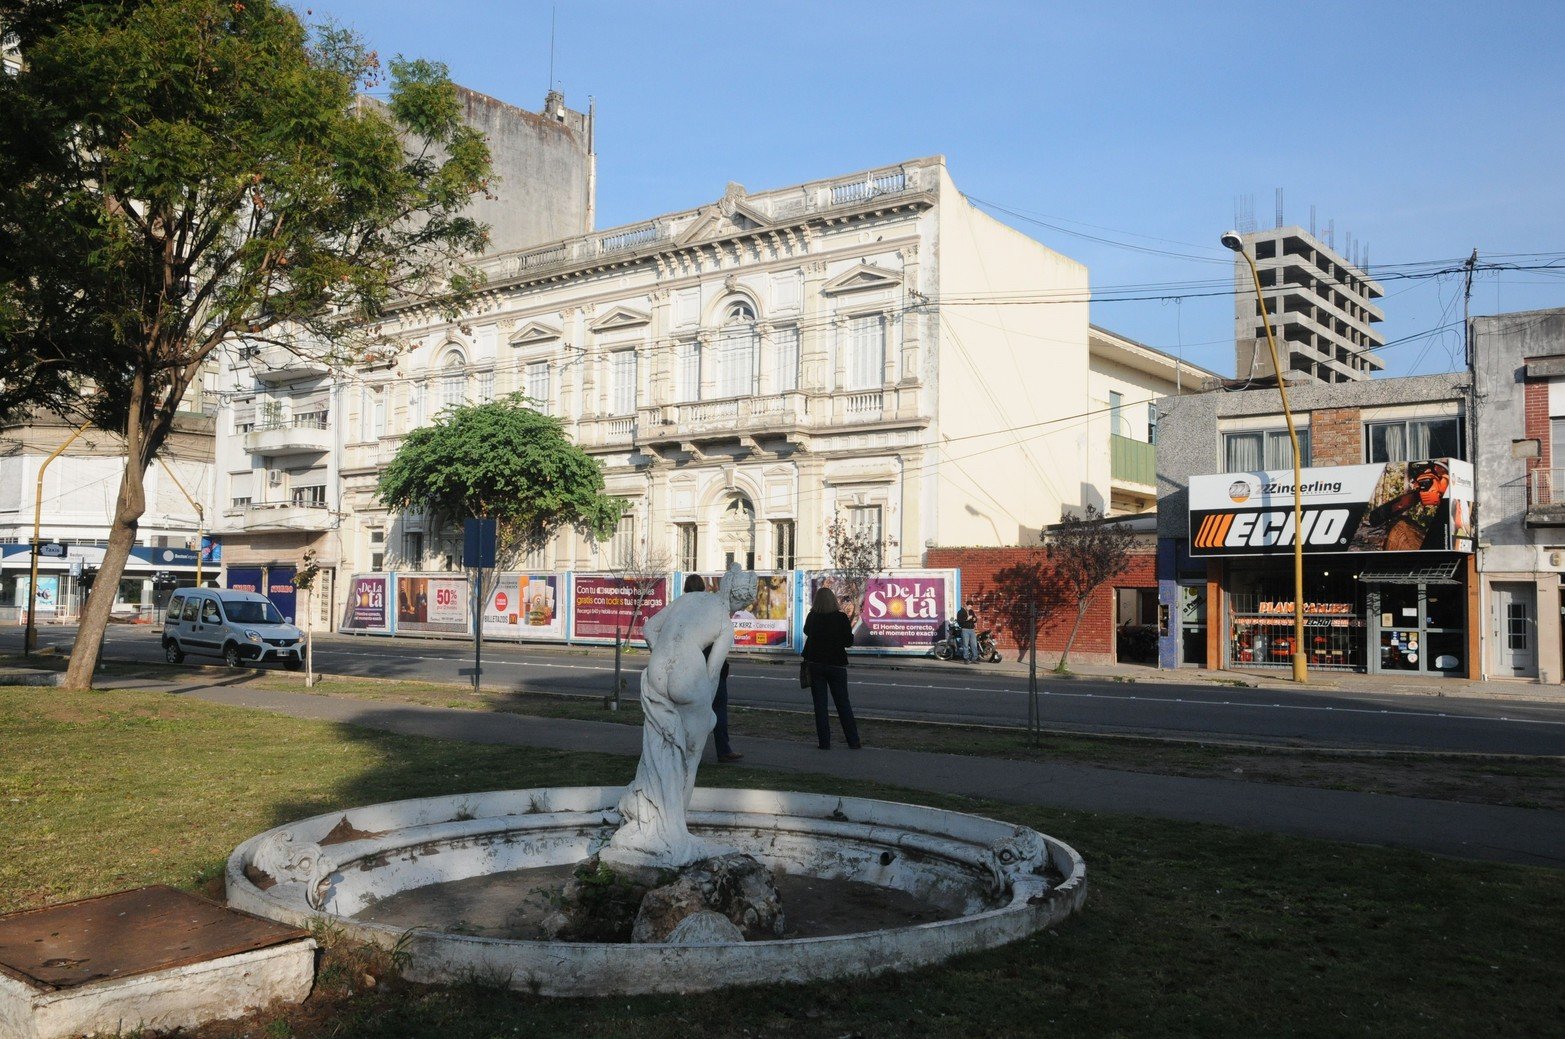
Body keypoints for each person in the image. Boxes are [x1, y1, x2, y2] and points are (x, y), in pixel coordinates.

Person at [684, 574, 742, 763]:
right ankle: (723, 749)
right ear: (703, 588)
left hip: (690, 665)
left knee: (688, 710)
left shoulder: (681, 608)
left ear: (685, 589)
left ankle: (685, 748)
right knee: (718, 708)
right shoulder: (709, 607)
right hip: (713, 663)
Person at [802, 586, 862, 750]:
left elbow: (806, 631)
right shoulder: (841, 618)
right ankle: (853, 741)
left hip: (816, 664)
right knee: (843, 704)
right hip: (836, 664)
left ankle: (824, 742)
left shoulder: (812, 617)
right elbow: (848, 642)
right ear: (833, 600)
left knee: (820, 705)